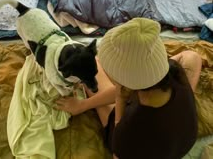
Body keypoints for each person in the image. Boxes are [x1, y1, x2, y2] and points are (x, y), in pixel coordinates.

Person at [56, 18, 202, 159]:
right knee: (191, 57)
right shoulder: (177, 73)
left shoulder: (130, 125)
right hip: (182, 142)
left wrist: (114, 100)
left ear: (127, 86)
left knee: (94, 62)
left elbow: (117, 152)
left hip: (129, 139)